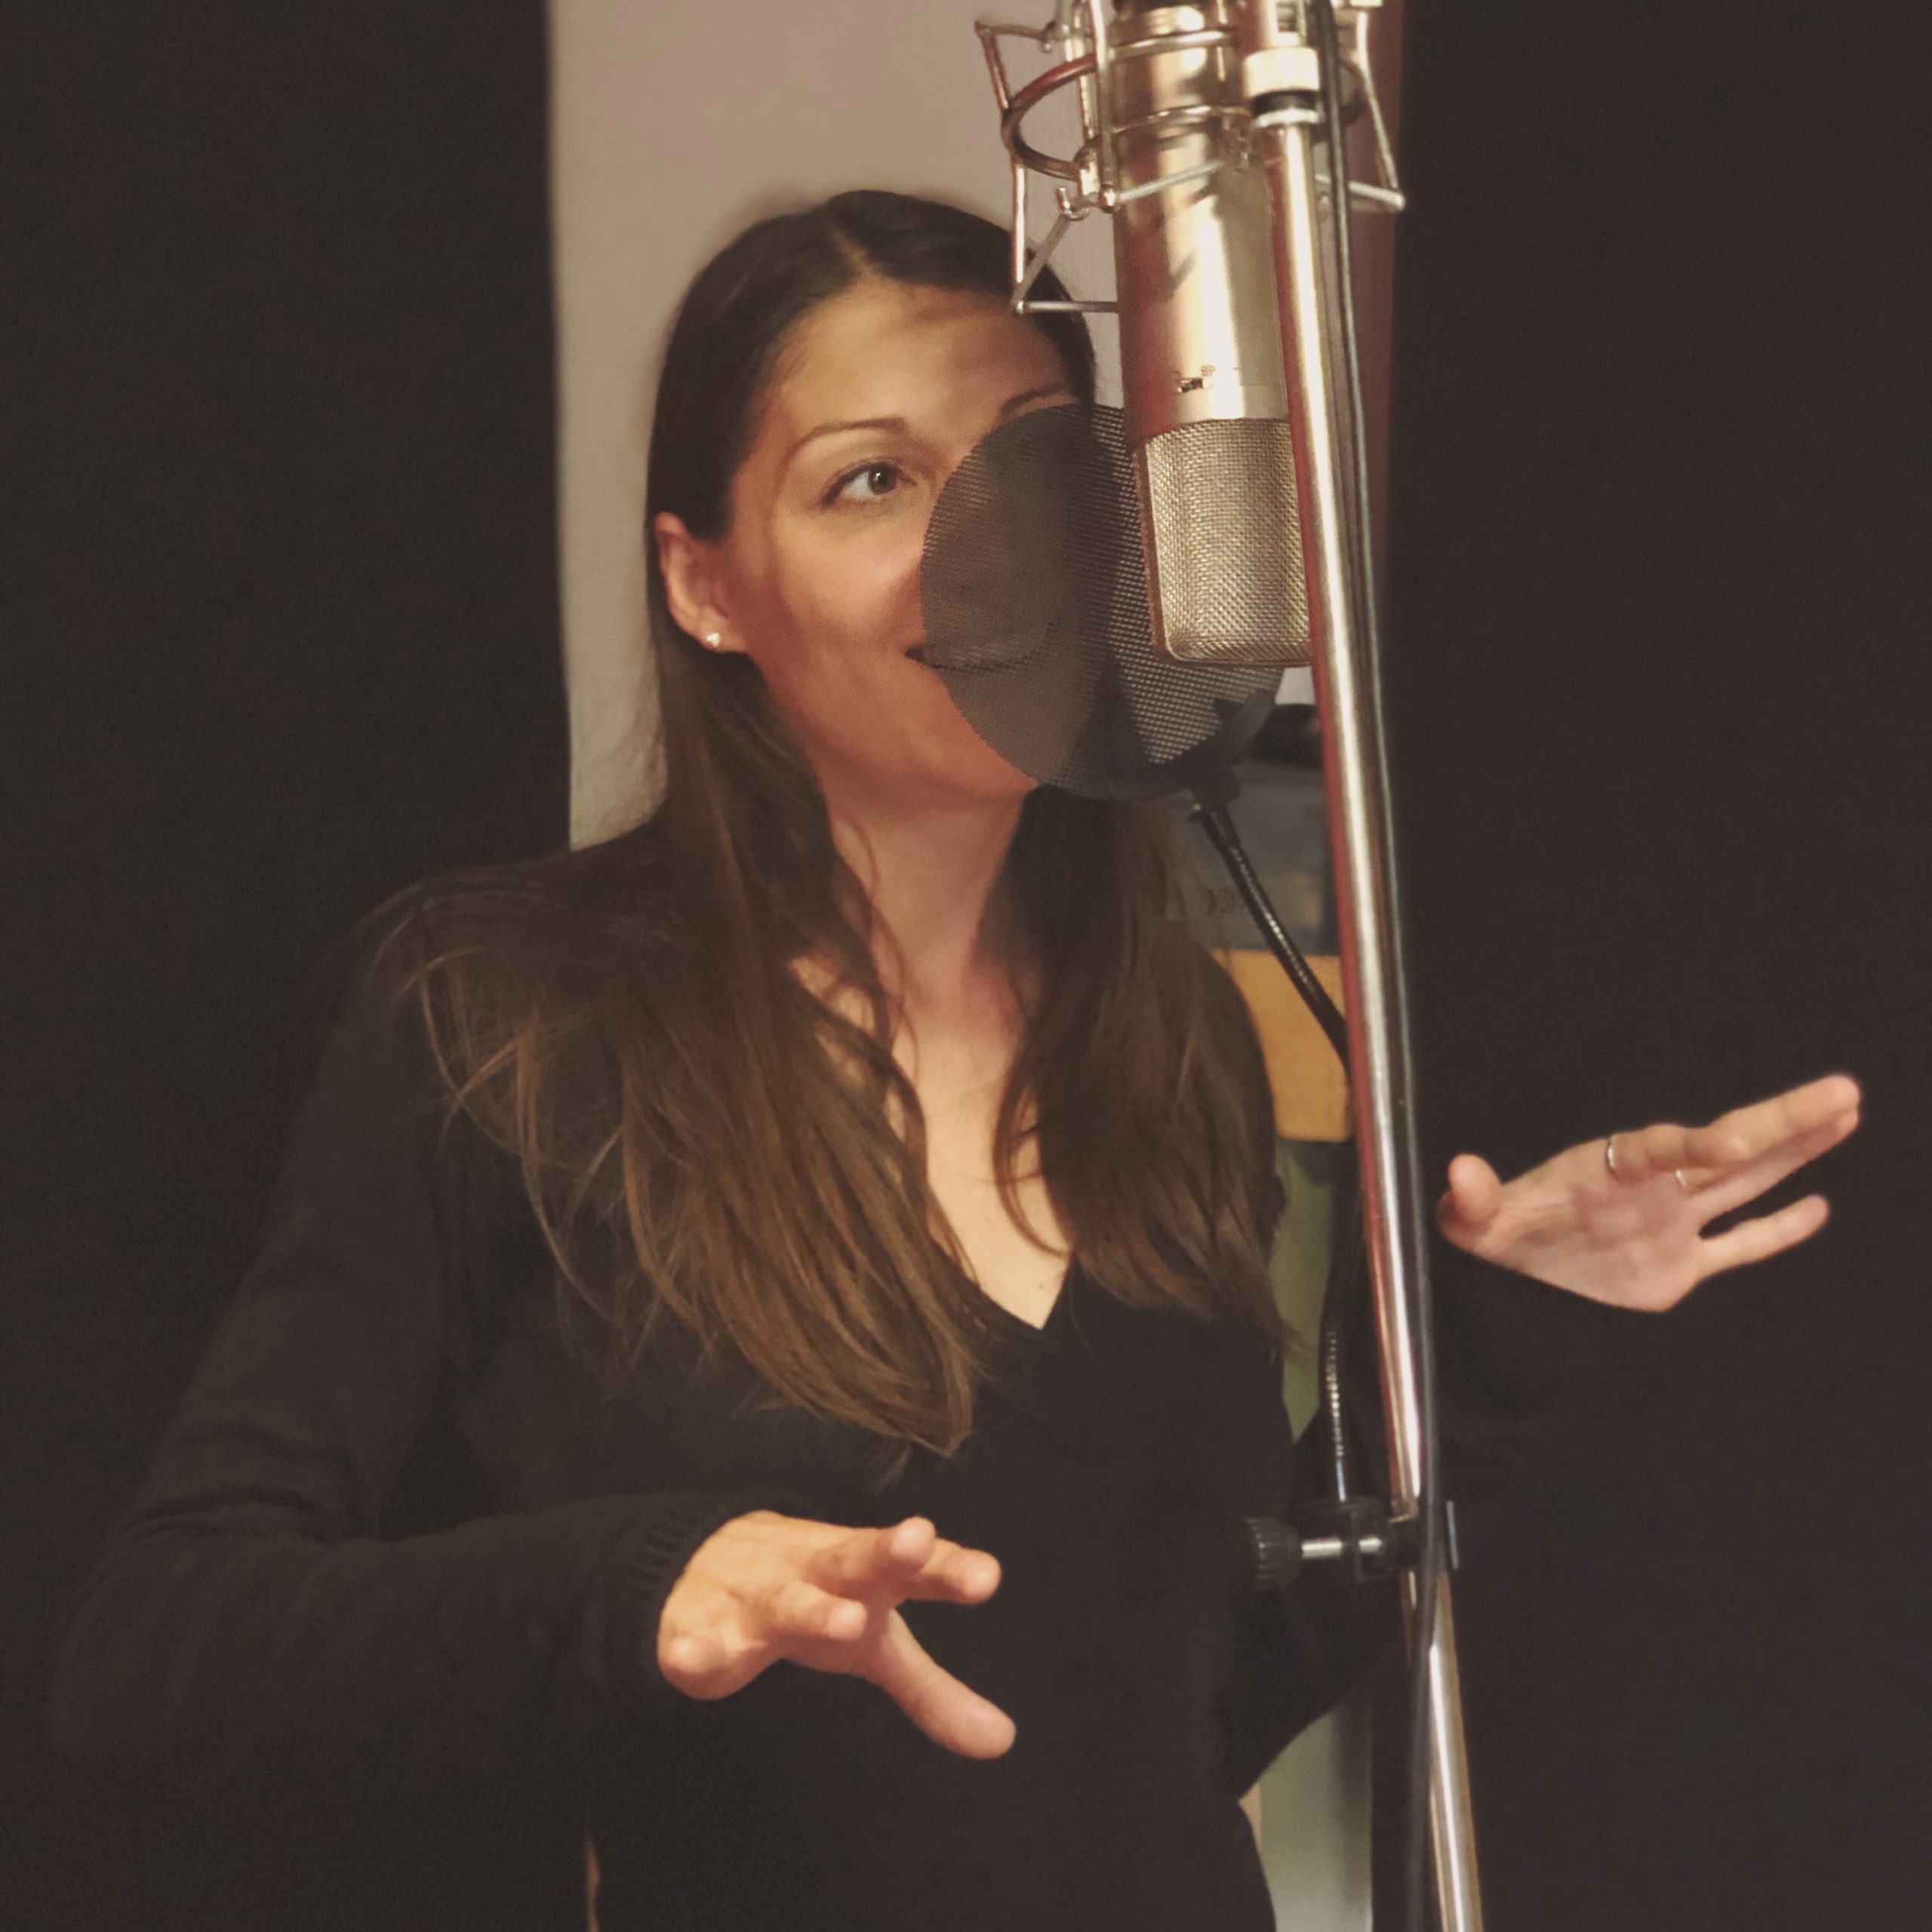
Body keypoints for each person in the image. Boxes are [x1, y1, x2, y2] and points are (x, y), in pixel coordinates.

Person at [48, 191, 1860, 1932]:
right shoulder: (503, 1015)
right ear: (704, 585)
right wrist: (637, 1577)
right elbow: (160, 1639)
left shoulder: (1171, 1041)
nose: (984, 543)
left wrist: (1484, 1337)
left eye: (1029, 469)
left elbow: (1172, 1711)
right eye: (872, 480)